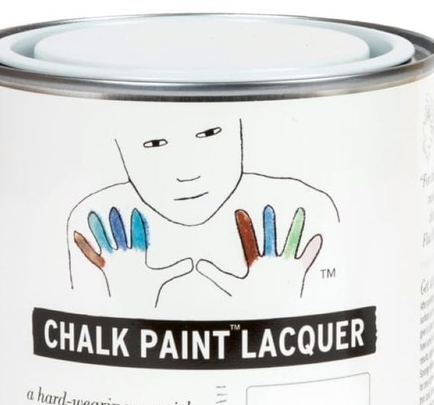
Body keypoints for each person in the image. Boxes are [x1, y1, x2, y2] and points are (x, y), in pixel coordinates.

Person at [67, 110, 340, 315]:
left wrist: (276, 307)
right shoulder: (100, 227)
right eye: (154, 143)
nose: (187, 172)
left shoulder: (298, 214)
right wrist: (124, 303)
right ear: (120, 147)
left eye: (210, 133)